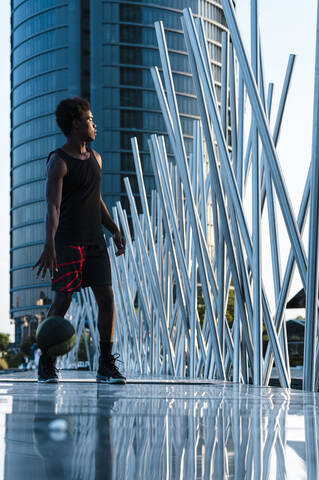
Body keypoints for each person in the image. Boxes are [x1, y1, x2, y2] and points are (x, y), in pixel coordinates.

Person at [32, 97, 126, 384]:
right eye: (89, 119)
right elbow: (53, 207)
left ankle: (106, 364)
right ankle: (46, 364)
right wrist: (50, 243)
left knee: (107, 298)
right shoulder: (58, 162)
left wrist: (114, 229)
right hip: (68, 242)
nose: (93, 124)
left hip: (94, 240)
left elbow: (95, 200)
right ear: (75, 123)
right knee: (63, 300)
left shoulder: (96, 159)